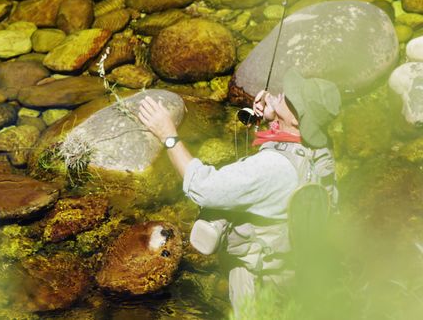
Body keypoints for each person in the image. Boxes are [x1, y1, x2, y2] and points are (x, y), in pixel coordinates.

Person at [137, 68, 341, 316]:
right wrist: (272, 116)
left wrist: (168, 135)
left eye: (291, 98)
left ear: (298, 120)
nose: (283, 92)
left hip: (258, 277)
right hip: (293, 267)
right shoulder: (320, 147)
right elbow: (288, 142)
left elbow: (202, 187)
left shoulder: (272, 169)